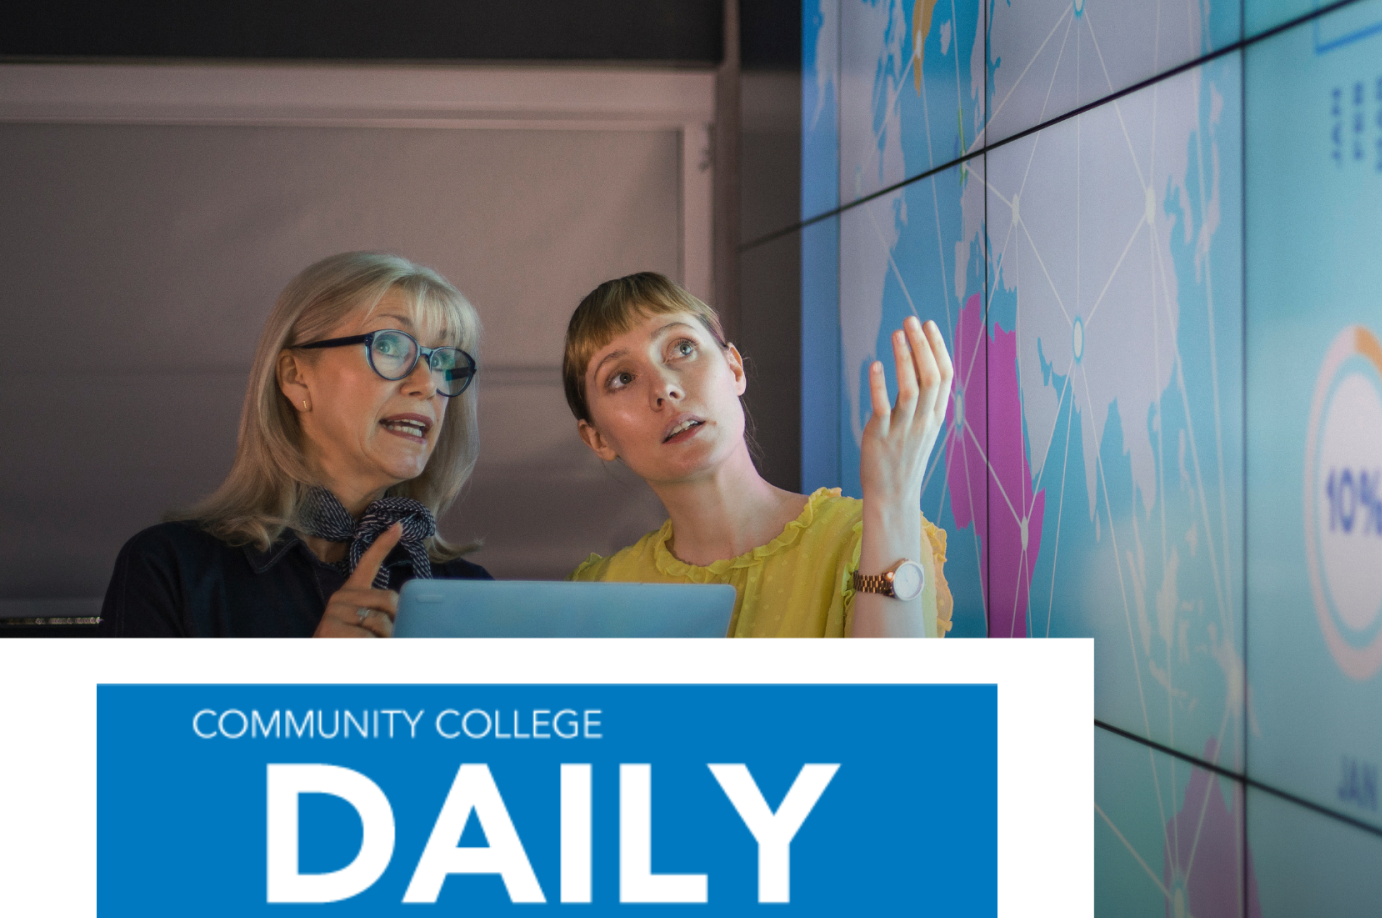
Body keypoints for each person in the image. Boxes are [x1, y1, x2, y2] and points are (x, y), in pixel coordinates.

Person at [99, 252, 491, 636]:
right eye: (389, 346)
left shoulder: (473, 594)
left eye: (442, 361)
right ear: (295, 377)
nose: (426, 384)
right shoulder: (170, 569)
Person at [563, 272, 953, 637]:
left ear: (734, 368)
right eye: (622, 378)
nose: (664, 387)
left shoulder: (869, 540)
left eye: (682, 348)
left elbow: (895, 709)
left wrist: (892, 502)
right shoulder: (597, 595)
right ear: (597, 439)